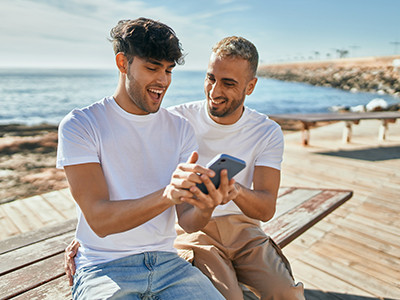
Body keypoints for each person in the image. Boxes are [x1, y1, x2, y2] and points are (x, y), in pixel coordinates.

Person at [64, 35, 305, 299]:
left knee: (286, 294)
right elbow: (106, 204)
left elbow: (265, 208)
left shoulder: (263, 131)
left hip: (240, 230)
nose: (214, 92)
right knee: (230, 296)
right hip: (192, 235)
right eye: (211, 78)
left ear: (250, 87)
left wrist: (228, 192)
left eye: (228, 83)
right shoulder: (178, 120)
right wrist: (85, 239)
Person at [57, 17, 229, 299]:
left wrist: (208, 204)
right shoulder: (81, 124)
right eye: (152, 68)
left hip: (169, 265)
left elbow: (187, 221)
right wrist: (168, 195)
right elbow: (100, 220)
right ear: (123, 63)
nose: (162, 80)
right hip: (103, 268)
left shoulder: (181, 129)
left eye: (168, 70)